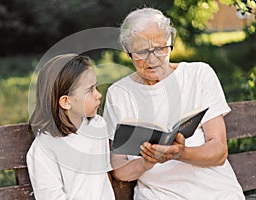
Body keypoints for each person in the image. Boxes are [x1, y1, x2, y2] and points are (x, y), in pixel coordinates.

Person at [103, 8, 245, 199]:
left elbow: (218, 151)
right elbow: (119, 169)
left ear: (170, 43)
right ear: (127, 50)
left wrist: (179, 153)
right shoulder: (119, 93)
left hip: (217, 193)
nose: (152, 60)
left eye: (161, 48)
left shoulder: (198, 75)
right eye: (142, 51)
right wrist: (148, 162)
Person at [27, 54, 115, 200]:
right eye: (90, 90)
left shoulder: (98, 125)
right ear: (66, 102)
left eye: (96, 87)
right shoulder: (44, 149)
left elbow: (103, 181)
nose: (98, 95)